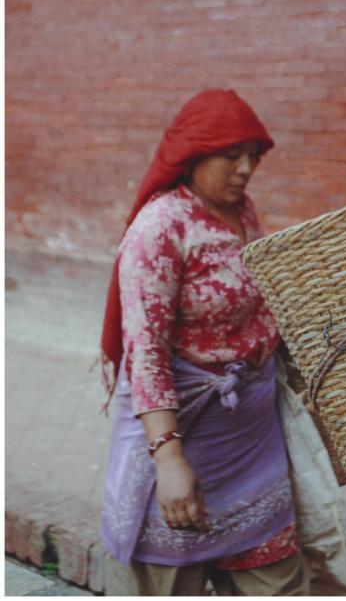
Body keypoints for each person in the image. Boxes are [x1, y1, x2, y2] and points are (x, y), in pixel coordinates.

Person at [99, 89, 310, 595]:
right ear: (193, 156)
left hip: (250, 445)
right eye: (230, 155)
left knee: (281, 583)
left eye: (252, 157)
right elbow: (144, 351)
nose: (245, 169)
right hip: (184, 441)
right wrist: (169, 460)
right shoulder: (161, 227)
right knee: (169, 581)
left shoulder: (243, 213)